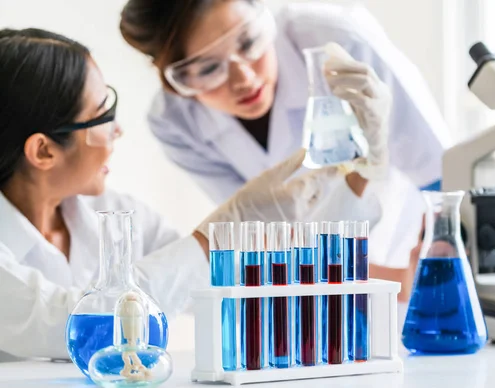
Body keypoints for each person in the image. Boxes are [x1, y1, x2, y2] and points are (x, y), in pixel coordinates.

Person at [0, 28, 347, 360]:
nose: (117, 129)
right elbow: (76, 325)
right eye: (101, 113)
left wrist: (354, 184)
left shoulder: (117, 214)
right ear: (43, 151)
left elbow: (220, 292)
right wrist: (217, 234)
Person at [119, 0, 450, 288]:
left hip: (408, 255)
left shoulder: (335, 37)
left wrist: (432, 267)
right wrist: (382, 280)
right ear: (173, 81)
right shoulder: (176, 123)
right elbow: (260, 237)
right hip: (304, 281)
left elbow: (442, 172)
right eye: (207, 68)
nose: (244, 79)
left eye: (248, 43)